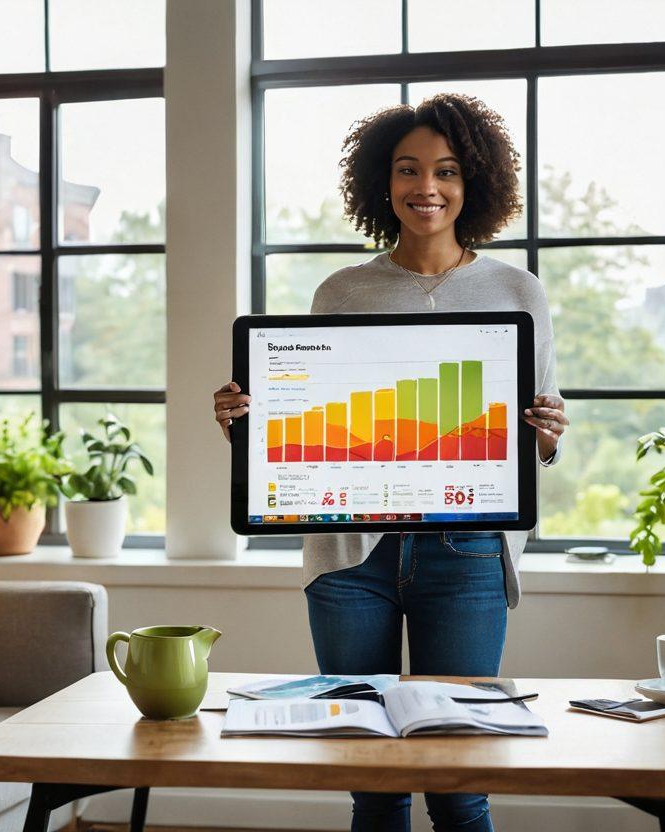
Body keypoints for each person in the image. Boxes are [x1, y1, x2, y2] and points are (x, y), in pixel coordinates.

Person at [213, 93, 569, 832]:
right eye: (408, 170)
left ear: (473, 183)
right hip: (351, 557)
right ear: (384, 183)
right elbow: (310, 423)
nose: (426, 187)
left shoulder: (517, 290)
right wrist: (246, 424)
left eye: (445, 171)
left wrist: (547, 429)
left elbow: (539, 432)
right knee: (371, 778)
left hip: (466, 552)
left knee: (458, 775)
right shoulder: (341, 291)